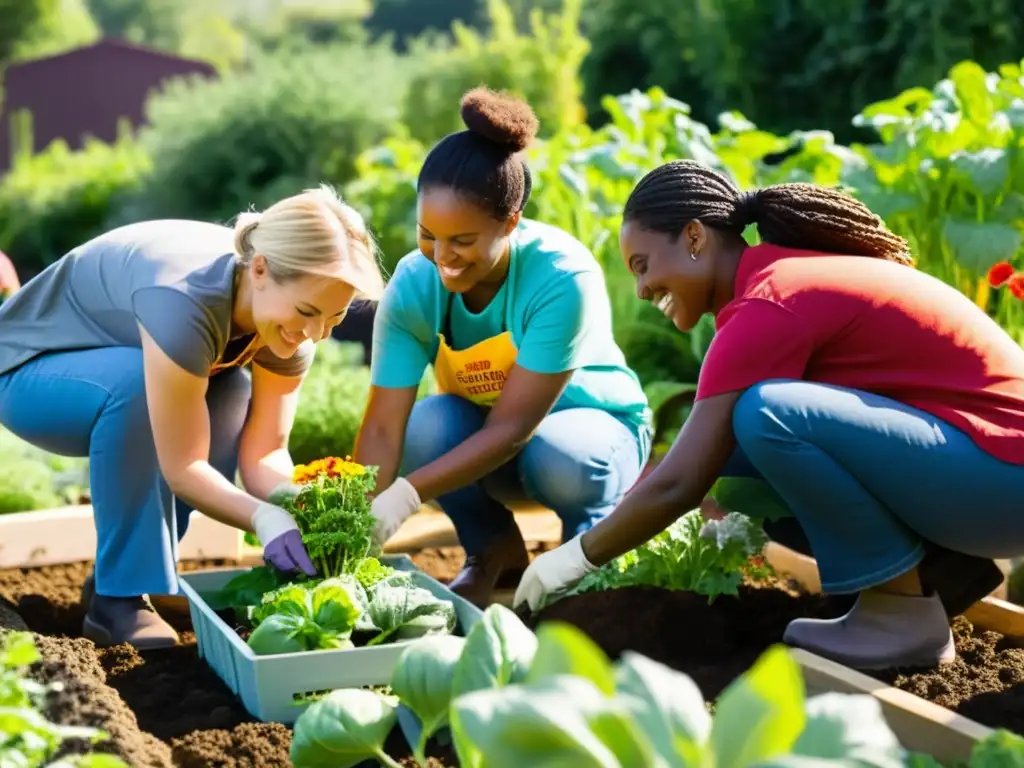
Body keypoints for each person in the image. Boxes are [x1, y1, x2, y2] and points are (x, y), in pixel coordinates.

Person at [513, 158, 1024, 670]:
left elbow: (679, 483)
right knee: (735, 458)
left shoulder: (770, 301)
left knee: (767, 416)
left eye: (642, 264)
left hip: (1001, 479)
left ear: (694, 237)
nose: (642, 290)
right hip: (985, 473)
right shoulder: (781, 280)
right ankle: (940, 574)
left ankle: (898, 617)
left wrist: (574, 557)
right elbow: (704, 463)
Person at [0, 185, 385, 649]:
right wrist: (262, 520)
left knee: (228, 392)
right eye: (307, 311)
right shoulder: (184, 301)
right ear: (260, 269)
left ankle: (131, 574)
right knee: (138, 385)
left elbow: (266, 452)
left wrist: (301, 508)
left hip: (109, 369)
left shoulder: (291, 330)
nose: (316, 334)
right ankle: (117, 601)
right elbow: (183, 468)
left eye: (334, 318)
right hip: (27, 373)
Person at [355, 88, 653, 608]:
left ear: (510, 222)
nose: (442, 256)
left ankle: (585, 561)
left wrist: (405, 496)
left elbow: (513, 430)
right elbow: (383, 426)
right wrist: (358, 526)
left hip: (591, 438)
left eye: (463, 241)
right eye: (428, 235)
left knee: (560, 454)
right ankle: (492, 551)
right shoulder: (414, 284)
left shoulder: (560, 276)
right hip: (491, 448)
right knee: (425, 427)